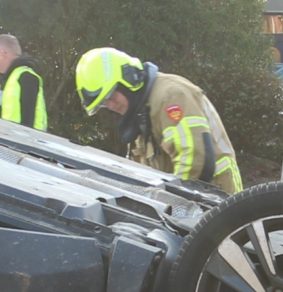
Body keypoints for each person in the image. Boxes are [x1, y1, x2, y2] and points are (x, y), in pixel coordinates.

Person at [74, 46, 243, 191]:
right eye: (104, 104)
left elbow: (195, 159)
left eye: (111, 96)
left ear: (127, 80)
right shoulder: (140, 112)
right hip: (193, 198)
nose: (110, 105)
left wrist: (170, 204)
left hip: (217, 192)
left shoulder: (170, 96)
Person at [0, 33, 48, 131]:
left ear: (2, 53)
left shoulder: (26, 77)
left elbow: (28, 123)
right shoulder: (7, 80)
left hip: (23, 144)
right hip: (6, 142)